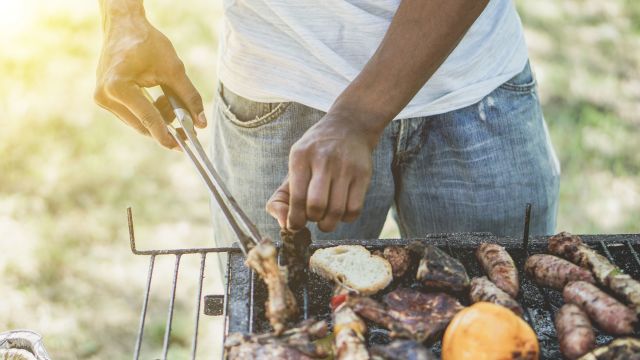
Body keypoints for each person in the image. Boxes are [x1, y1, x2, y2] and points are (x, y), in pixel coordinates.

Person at [95, 0, 560, 247]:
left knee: (504, 326)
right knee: (281, 328)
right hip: (281, 87)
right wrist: (123, 17)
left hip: (475, 86)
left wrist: (360, 115)